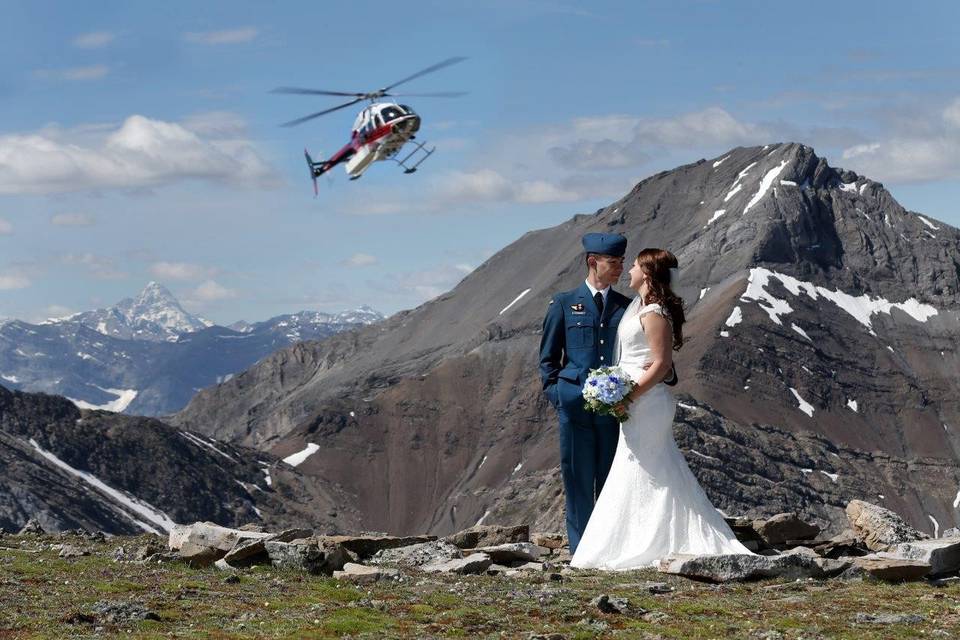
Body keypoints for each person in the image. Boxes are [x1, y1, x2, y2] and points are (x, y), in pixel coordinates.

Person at [570, 248, 752, 570]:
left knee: (651, 468)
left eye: (636, 266)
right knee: (641, 468)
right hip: (636, 401)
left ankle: (656, 541)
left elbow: (662, 363)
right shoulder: (639, 307)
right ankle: (640, 538)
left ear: (649, 274)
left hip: (646, 403)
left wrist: (629, 396)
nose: (629, 271)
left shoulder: (654, 311)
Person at [539, 233, 676, 553]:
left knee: (612, 482)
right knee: (577, 483)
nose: (619, 268)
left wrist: (657, 370)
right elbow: (548, 359)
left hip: (616, 410)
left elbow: (651, 348)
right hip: (574, 406)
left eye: (621, 263)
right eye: (613, 262)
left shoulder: (628, 307)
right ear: (592, 262)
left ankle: (610, 550)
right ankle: (581, 552)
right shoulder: (563, 303)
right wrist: (558, 396)